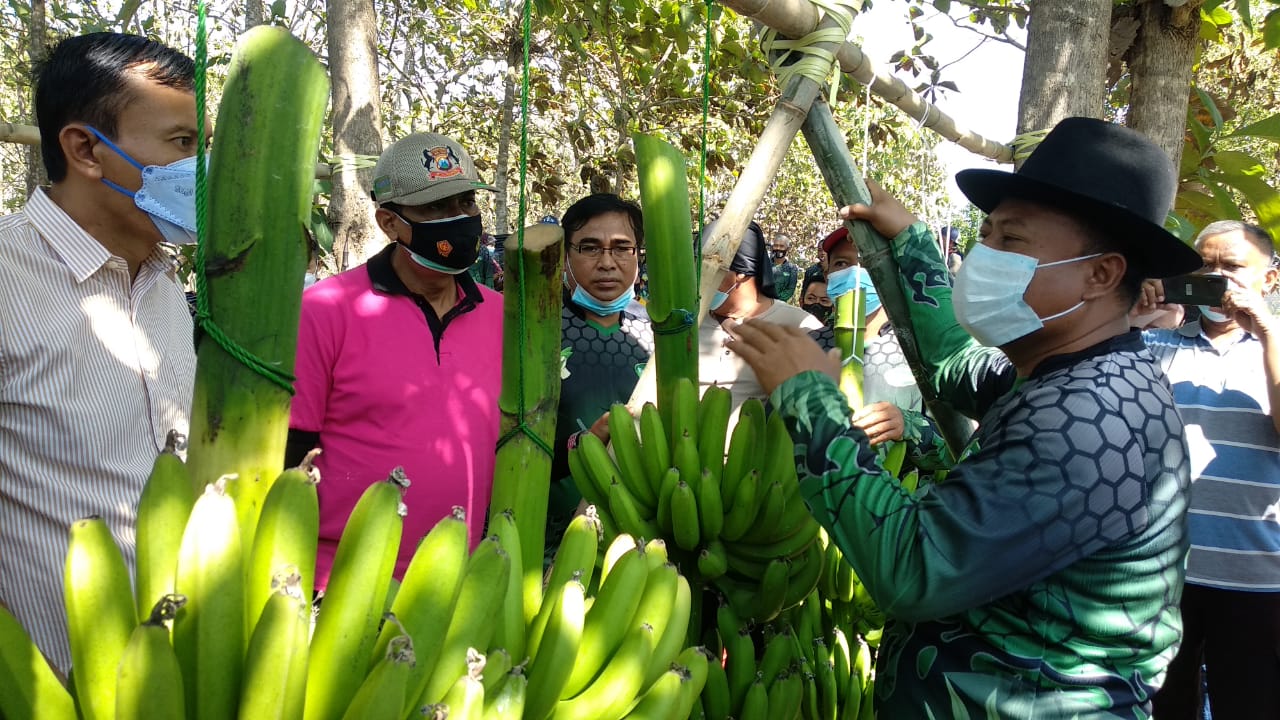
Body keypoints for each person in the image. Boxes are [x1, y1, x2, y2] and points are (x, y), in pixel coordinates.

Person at [727, 117, 1200, 717]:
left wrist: (811, 402)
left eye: (1012, 241)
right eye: (987, 233)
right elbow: (953, 363)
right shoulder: (1061, 371)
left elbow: (915, 566)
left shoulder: (1088, 422)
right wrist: (913, 245)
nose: (986, 256)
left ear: (1101, 273)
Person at [0, 32, 199, 673]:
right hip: (47, 683)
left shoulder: (169, 286)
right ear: (86, 148)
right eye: (181, 144)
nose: (199, 168)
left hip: (180, 674)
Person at [287, 132, 503, 587]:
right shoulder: (327, 311)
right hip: (340, 580)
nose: (459, 220)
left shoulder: (502, 315)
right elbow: (291, 455)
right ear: (389, 222)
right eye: (437, 209)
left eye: (466, 202)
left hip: (458, 581)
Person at [1143, 220, 1280, 719]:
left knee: (1253, 705)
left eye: (1232, 267)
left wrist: (1267, 331)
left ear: (1270, 279)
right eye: (1204, 266)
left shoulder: (1276, 346)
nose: (1216, 278)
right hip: (1163, 575)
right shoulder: (1155, 345)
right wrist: (1134, 319)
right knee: (1165, 707)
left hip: (1258, 579)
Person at [550, 193, 653, 542]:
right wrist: (585, 445)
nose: (607, 262)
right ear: (566, 255)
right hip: (548, 531)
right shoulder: (537, 330)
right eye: (590, 248)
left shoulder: (659, 332)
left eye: (622, 247)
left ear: (639, 254)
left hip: (641, 528)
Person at [701, 221, 823, 412]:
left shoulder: (801, 327)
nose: (701, 278)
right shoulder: (691, 321)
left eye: (708, 268)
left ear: (741, 272)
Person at [771, 232, 800, 303]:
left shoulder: (792, 268)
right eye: (776, 245)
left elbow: (790, 290)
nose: (778, 248)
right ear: (772, 247)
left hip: (779, 305)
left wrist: (775, 300)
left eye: (781, 246)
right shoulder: (764, 264)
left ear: (788, 248)